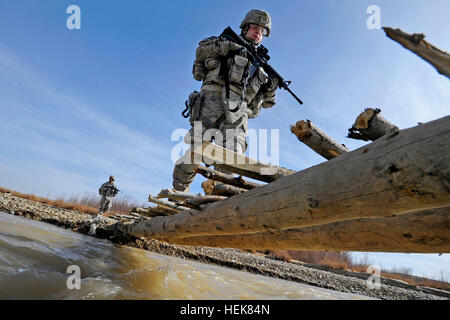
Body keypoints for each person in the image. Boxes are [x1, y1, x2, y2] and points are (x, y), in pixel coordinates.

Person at [172, 9, 278, 192]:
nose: (258, 32)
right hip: (211, 102)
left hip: (238, 112)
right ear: (245, 28)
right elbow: (200, 52)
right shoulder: (223, 42)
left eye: (262, 30)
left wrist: (270, 89)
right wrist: (226, 47)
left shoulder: (262, 67)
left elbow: (265, 104)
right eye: (254, 27)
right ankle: (179, 192)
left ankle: (218, 199)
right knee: (196, 152)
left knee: (231, 158)